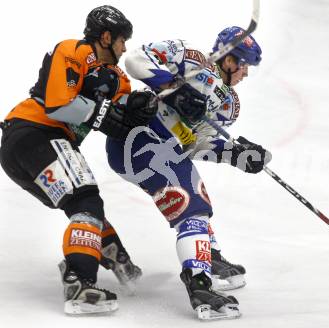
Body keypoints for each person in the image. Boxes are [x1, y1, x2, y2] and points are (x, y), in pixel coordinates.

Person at [0, 5, 159, 315]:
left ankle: (117, 259)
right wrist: (106, 116)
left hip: (30, 149)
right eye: (121, 40)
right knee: (86, 201)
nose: (124, 47)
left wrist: (141, 105)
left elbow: (122, 105)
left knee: (82, 204)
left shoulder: (115, 76)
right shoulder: (75, 50)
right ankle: (79, 282)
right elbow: (58, 105)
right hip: (35, 132)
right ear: (106, 36)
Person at [106, 26, 272, 320]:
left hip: (165, 151)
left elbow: (196, 144)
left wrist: (237, 155)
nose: (245, 74)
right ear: (229, 59)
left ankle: (208, 255)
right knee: (192, 209)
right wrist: (175, 89)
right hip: (138, 136)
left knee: (197, 198)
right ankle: (199, 286)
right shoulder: (190, 58)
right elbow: (135, 60)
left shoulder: (229, 105)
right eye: (244, 65)